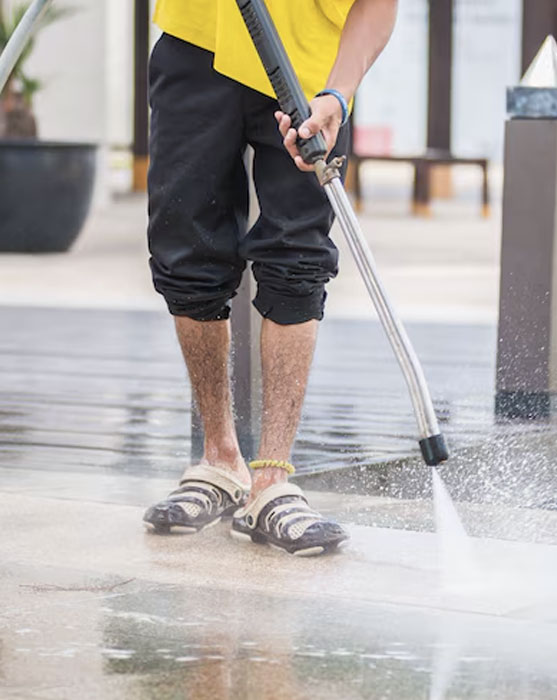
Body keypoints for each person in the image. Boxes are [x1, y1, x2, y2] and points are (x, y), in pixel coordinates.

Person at [143, 0, 398, 555]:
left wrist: (339, 93)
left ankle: (272, 481)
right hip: (197, 48)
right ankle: (220, 462)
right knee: (186, 253)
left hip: (306, 71)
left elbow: (378, 6)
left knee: (297, 258)